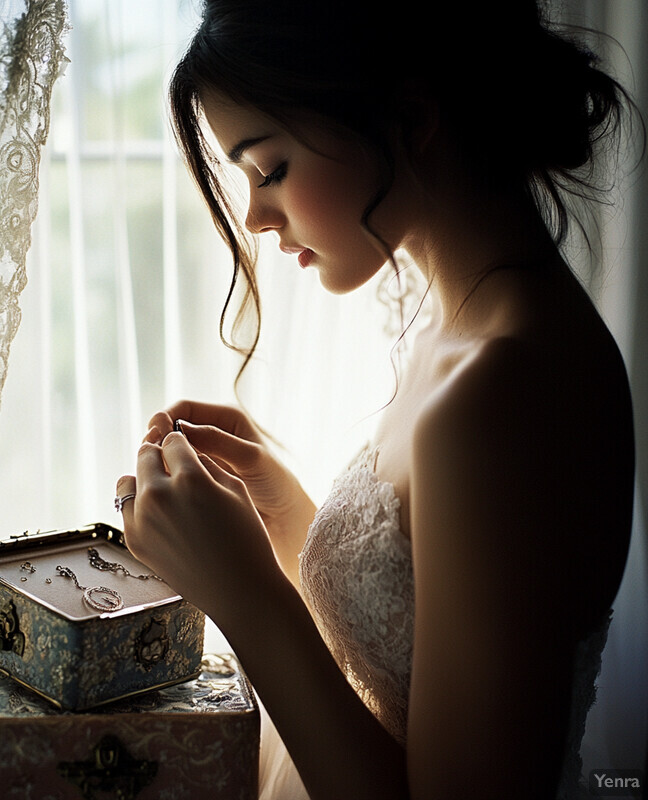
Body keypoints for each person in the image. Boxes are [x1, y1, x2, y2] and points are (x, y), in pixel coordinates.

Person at [115, 2, 642, 797]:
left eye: (269, 168)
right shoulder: (465, 327)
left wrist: (245, 594)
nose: (254, 216)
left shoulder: (504, 389)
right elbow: (412, 638)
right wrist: (288, 517)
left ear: (409, 118)